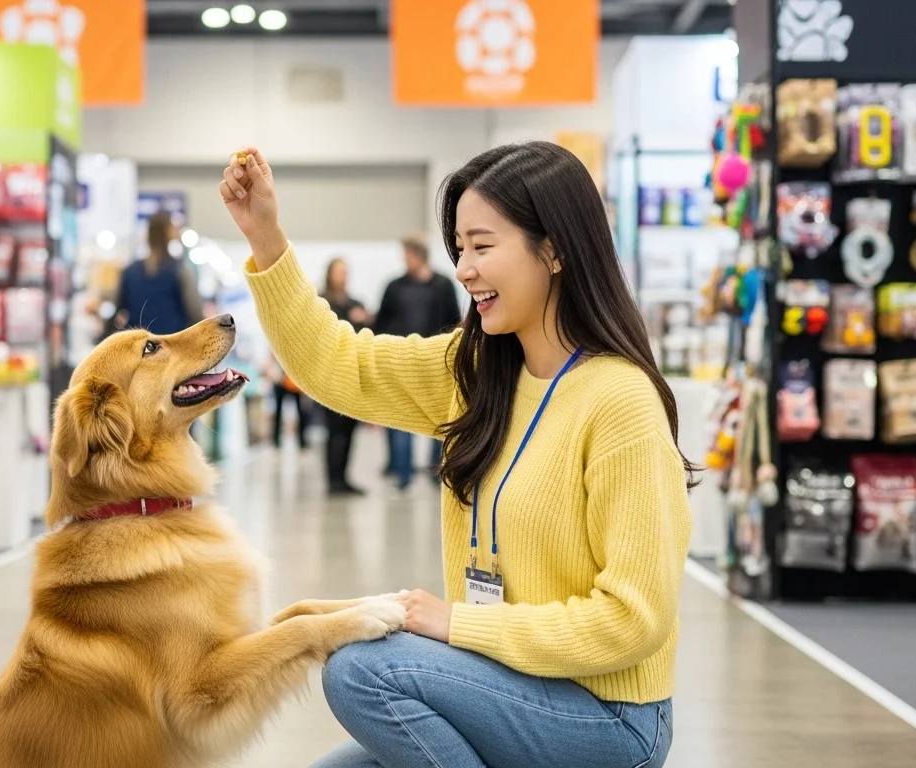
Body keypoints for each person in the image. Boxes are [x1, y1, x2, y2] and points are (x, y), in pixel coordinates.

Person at [219, 143, 692, 768]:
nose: (464, 270)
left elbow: (633, 621)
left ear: (554, 250)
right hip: (498, 683)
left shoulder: (620, 402)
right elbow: (336, 364)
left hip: (607, 717)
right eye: (459, 249)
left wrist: (454, 624)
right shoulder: (473, 371)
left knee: (362, 671)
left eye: (482, 246)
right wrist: (265, 236)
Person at [373, 235, 463, 489]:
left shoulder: (443, 285)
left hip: (436, 362)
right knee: (401, 419)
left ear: (418, 255)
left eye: (407, 255)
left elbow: (454, 320)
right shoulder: (394, 287)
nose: (404, 260)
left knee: (439, 419)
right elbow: (381, 324)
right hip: (401, 363)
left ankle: (436, 471)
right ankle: (402, 475)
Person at [319, 257, 371, 495]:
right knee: (334, 430)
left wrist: (365, 319)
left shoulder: (355, 303)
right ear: (330, 273)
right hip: (329, 375)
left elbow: (366, 335)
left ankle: (343, 477)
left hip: (352, 374)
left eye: (345, 271)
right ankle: (333, 479)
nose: (343, 275)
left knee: (349, 429)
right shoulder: (322, 303)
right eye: (339, 271)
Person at [113, 211, 204, 335]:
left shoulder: (130, 271)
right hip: (171, 341)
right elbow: (195, 312)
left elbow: (119, 307)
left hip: (140, 343)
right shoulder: (179, 270)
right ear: (167, 232)